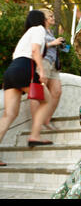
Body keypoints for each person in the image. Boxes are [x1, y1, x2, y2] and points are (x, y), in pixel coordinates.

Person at [0, 10, 53, 166]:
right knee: (47, 100)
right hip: (25, 68)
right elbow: (35, 50)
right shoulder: (38, 29)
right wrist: (41, 70)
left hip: (11, 71)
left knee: (9, 114)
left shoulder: (26, 34)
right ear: (41, 20)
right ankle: (35, 136)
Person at [30, 9, 64, 131]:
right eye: (50, 16)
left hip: (53, 64)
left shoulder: (50, 31)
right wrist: (53, 43)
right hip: (43, 62)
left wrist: (58, 44)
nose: (53, 18)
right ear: (44, 18)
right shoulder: (39, 30)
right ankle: (37, 124)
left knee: (57, 92)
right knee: (39, 92)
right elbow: (35, 47)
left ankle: (46, 119)